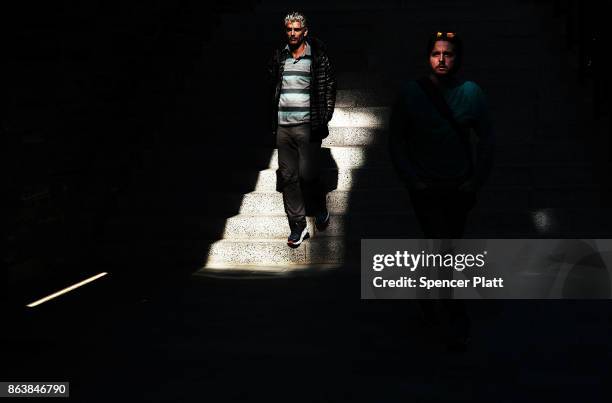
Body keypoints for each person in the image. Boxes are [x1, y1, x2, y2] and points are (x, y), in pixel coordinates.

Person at [389, 31, 495, 351]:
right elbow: (396, 139)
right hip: (425, 185)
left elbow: (487, 140)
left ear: (458, 59)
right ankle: (453, 313)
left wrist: (475, 181)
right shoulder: (411, 93)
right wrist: (412, 179)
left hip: (458, 186)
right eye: (436, 53)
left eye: (448, 54)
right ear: (428, 57)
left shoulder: (471, 93)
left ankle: (431, 298)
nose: (442, 59)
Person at [268, 11, 337, 248]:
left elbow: (329, 85)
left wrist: (324, 115)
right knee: (288, 176)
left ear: (305, 31)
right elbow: (271, 86)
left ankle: (318, 207)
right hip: (283, 127)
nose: (293, 33)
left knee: (308, 173)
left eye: (297, 29)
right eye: (289, 29)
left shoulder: (317, 57)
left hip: (308, 126)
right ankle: (298, 225)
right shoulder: (280, 56)